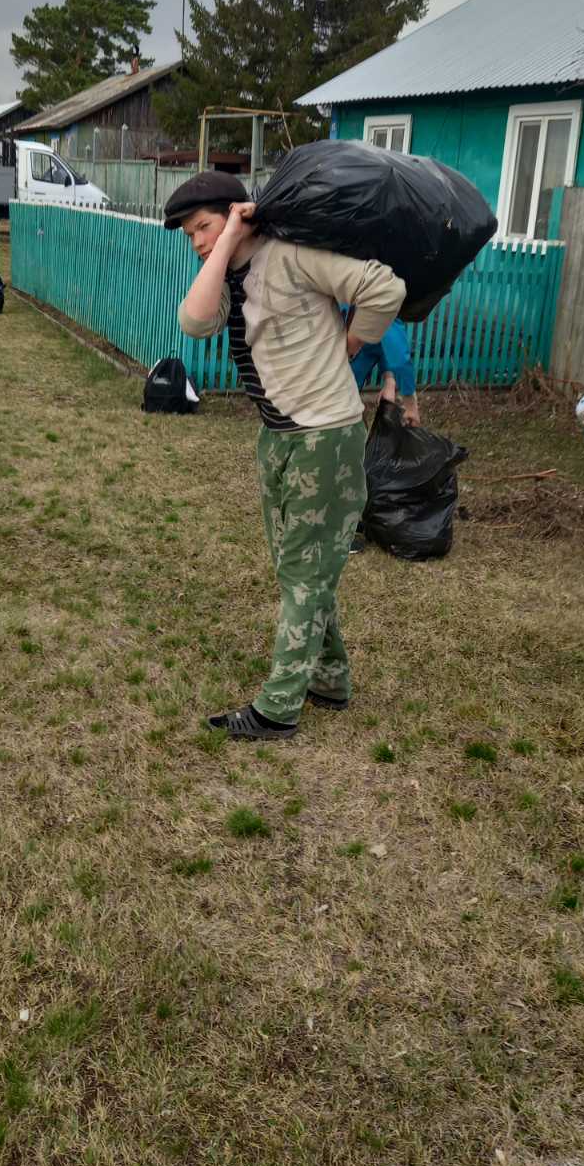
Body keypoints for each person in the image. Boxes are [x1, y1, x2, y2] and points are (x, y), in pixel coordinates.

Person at [167, 171, 405, 740]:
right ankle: (330, 678)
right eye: (190, 235)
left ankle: (279, 708)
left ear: (237, 210)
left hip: (324, 436)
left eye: (204, 227)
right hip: (278, 434)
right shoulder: (230, 270)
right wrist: (224, 245)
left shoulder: (293, 256)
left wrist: (353, 341)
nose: (197, 241)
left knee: (304, 571)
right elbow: (194, 322)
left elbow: (385, 288)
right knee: (300, 568)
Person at [349, 317, 421, 425]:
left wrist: (389, 379)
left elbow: (382, 344)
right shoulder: (380, 303)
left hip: (345, 398)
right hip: (333, 402)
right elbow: (398, 355)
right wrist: (410, 405)